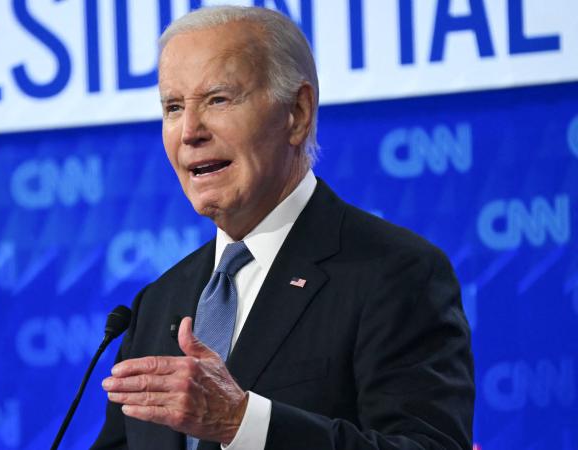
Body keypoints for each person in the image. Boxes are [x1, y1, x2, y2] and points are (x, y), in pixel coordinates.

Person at [92, 5, 474, 450]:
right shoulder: (157, 306)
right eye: (173, 107)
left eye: (218, 99)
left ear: (296, 112)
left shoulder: (395, 273)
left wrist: (243, 422)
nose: (190, 131)